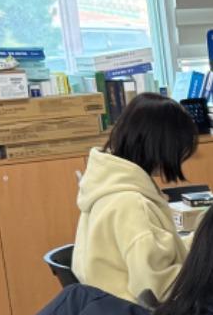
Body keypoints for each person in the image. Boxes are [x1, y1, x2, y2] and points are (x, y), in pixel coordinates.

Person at [72, 92, 199, 302]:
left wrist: (205, 240)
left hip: (108, 308)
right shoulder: (133, 205)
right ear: (161, 148)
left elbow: (156, 254)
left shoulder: (106, 185)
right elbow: (159, 289)